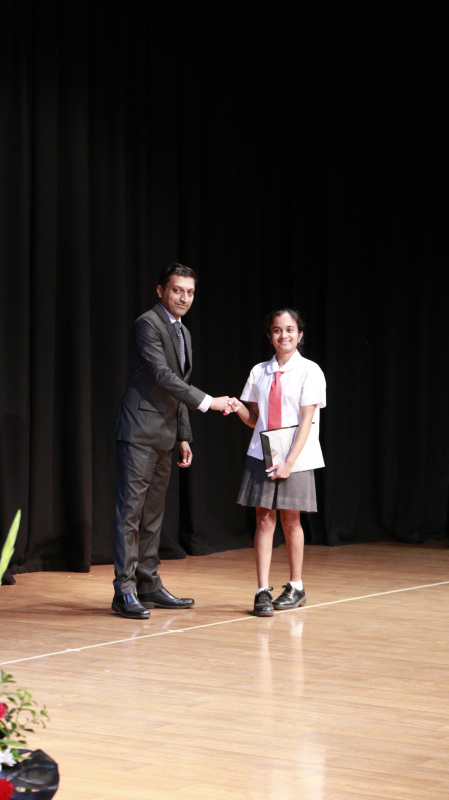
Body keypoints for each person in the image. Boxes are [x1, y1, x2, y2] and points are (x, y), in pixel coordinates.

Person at [112, 264, 230, 619]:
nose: (184, 298)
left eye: (190, 292)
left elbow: (177, 388)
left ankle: (148, 584)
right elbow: (162, 376)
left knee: (153, 516)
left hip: (165, 434)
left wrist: (184, 435)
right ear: (160, 290)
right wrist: (208, 402)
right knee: (130, 514)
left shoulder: (184, 332)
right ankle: (124, 591)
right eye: (177, 290)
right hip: (138, 431)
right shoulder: (147, 324)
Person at [227, 309, 326, 617]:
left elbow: (307, 420)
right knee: (264, 519)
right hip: (264, 452)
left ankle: (296, 586)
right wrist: (237, 407)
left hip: (295, 454)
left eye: (289, 329)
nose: (284, 335)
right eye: (277, 330)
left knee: (291, 520)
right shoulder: (260, 371)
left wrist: (289, 462)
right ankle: (262, 591)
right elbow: (255, 419)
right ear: (270, 336)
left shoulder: (310, 371)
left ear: (300, 335)